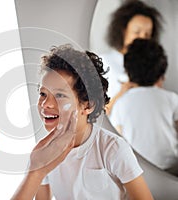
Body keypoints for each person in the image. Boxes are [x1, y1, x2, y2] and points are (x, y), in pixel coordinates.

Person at [12, 44, 153, 199]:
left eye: (59, 95)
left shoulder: (112, 148)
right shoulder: (43, 153)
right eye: (43, 93)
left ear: (88, 105)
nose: (46, 104)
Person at [109, 39, 178, 175]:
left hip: (138, 168)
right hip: (171, 165)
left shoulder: (121, 103)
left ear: (128, 73)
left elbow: (118, 138)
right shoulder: (171, 98)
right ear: (161, 74)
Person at [101, 0, 163, 114]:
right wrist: (122, 92)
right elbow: (98, 113)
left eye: (147, 34)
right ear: (124, 31)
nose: (142, 38)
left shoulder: (153, 66)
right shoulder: (104, 62)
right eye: (137, 32)